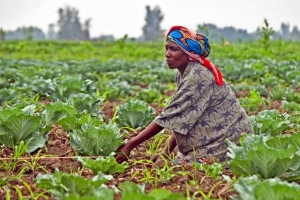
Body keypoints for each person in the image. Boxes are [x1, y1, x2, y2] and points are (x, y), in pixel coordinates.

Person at [115, 25, 253, 165]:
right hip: (210, 140)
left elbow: (170, 115)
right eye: (166, 48)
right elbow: (183, 116)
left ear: (188, 53)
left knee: (182, 168)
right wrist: (165, 152)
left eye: (173, 49)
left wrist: (129, 145)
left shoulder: (198, 75)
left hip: (227, 142)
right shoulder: (184, 73)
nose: (167, 54)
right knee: (171, 164)